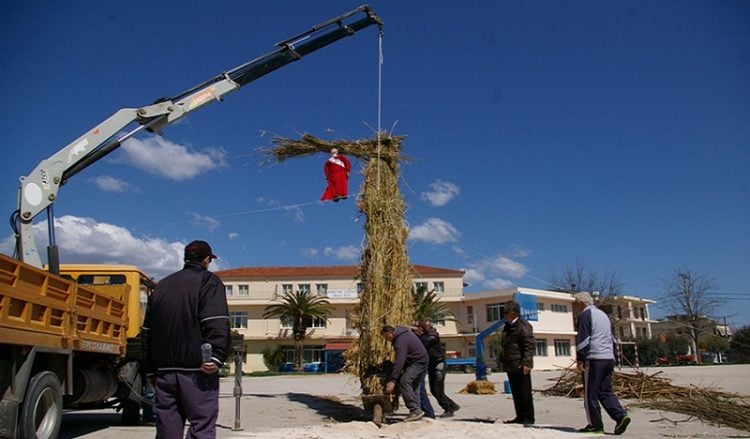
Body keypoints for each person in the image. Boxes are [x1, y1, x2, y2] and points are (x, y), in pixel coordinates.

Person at [142, 240, 231, 439]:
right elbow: (216, 321)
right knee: (202, 425)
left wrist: (149, 368)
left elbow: (147, 331)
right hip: (197, 370)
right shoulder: (209, 282)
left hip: (164, 371)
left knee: (167, 427)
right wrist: (217, 357)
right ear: (207, 259)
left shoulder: (162, 286)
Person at [573, 291, 631, 435]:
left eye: (575, 303)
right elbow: (613, 338)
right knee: (605, 391)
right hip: (608, 357)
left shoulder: (585, 315)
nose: (574, 306)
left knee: (590, 393)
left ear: (581, 302)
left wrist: (581, 358)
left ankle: (595, 425)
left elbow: (583, 340)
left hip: (594, 358)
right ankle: (620, 415)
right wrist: (613, 355)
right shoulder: (604, 315)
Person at [381, 325, 429, 422]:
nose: (387, 340)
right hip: (419, 360)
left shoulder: (400, 341)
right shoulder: (403, 335)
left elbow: (399, 361)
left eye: (387, 337)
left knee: (404, 381)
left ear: (390, 333)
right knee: (413, 386)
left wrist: (393, 380)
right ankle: (417, 413)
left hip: (418, 362)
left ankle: (415, 410)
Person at [501, 300, 536, 425]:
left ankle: (528, 417)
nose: (504, 314)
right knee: (516, 392)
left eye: (506, 311)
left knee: (524, 392)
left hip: (520, 363)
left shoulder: (523, 325)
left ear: (514, 312)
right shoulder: (508, 326)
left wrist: (527, 362)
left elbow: (529, 344)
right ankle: (520, 416)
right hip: (511, 363)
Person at [417, 321, 461, 418]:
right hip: (433, 364)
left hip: (438, 364)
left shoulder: (432, 336)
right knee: (434, 390)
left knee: (437, 390)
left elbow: (422, 343)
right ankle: (451, 405)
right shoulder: (427, 335)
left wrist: (416, 335)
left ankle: (450, 407)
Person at [411, 325, 436, 419]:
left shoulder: (425, 339)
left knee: (420, 389)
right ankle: (426, 411)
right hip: (421, 364)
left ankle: (428, 412)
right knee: (418, 389)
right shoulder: (419, 338)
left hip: (420, 365)